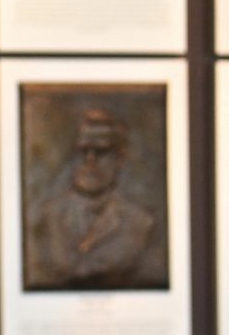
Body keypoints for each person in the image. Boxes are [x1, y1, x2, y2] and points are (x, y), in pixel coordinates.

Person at [27, 107, 156, 288]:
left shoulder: (141, 221)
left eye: (101, 151)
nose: (90, 160)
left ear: (120, 159)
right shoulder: (47, 216)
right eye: (83, 151)